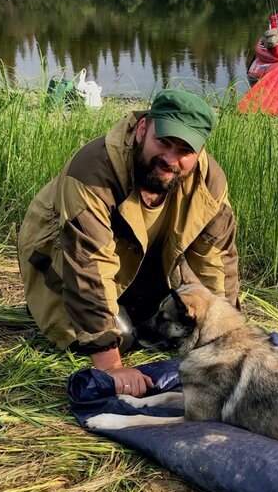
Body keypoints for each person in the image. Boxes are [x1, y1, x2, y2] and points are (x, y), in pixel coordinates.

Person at [17, 89, 240, 397]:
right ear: (143, 129)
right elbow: (87, 265)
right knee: (122, 337)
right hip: (63, 261)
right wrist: (110, 364)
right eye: (164, 142)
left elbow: (216, 261)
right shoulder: (93, 171)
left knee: (167, 323)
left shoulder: (210, 181)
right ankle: (48, 308)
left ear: (199, 152)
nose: (170, 159)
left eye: (184, 150)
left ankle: (129, 303)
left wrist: (229, 337)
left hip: (139, 259)